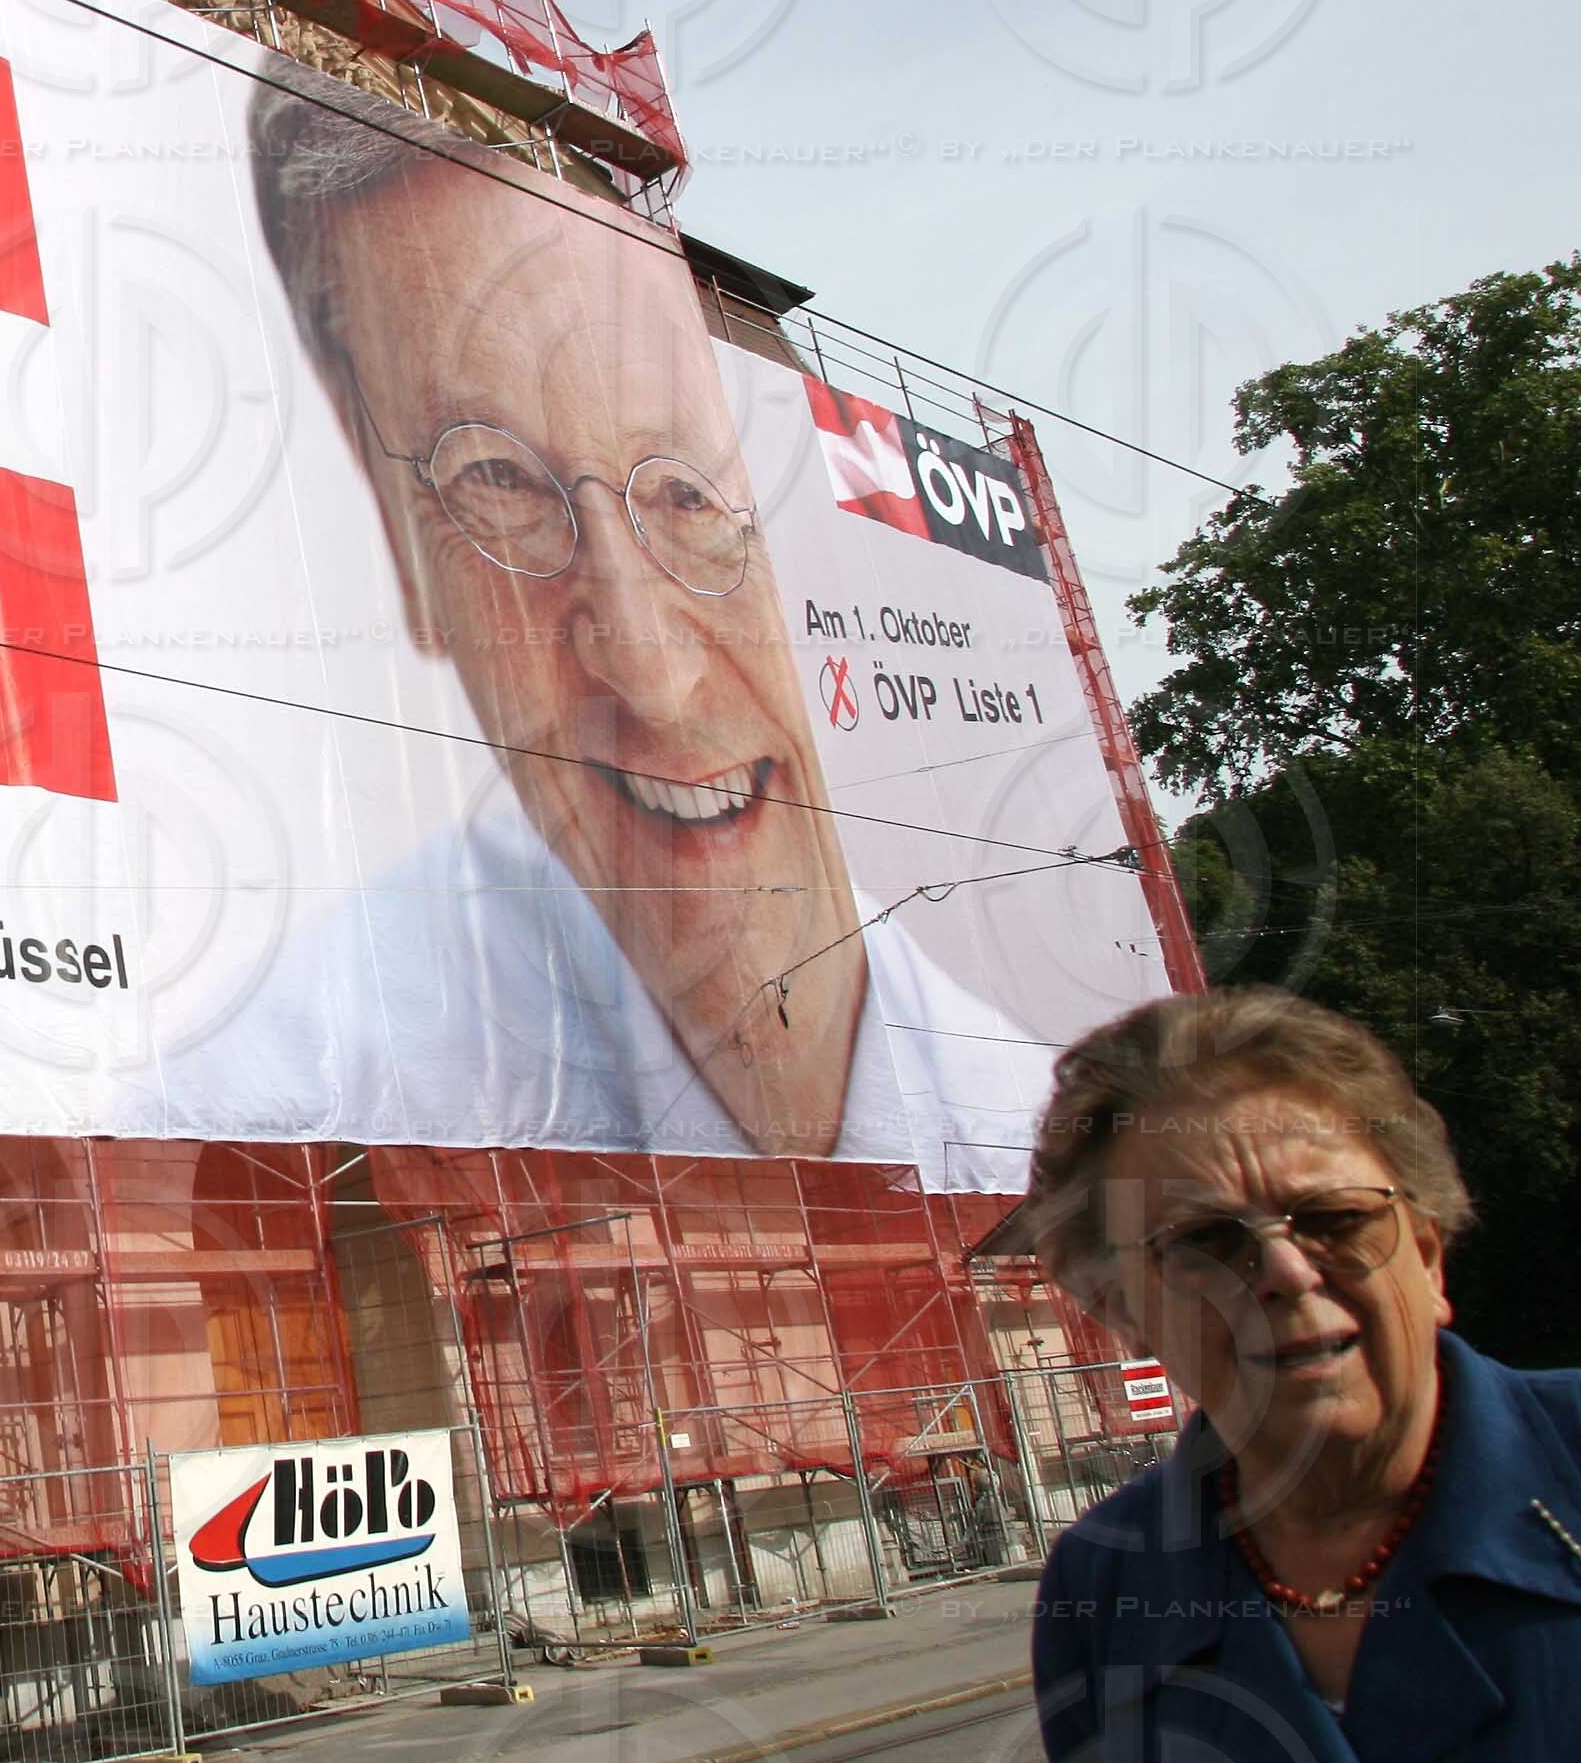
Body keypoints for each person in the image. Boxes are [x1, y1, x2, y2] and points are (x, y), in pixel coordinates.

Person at [221, 75, 1026, 1183]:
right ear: (392, 520)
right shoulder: (273, 1081)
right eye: (494, 481)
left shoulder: (1040, 1130)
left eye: (687, 495)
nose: (650, 670)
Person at [1020, 988, 1581, 1763]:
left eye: (1335, 1220)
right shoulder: (1102, 1583)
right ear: (1123, 1312)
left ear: (1429, 1255)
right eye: (1208, 1241)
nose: (1286, 1270)